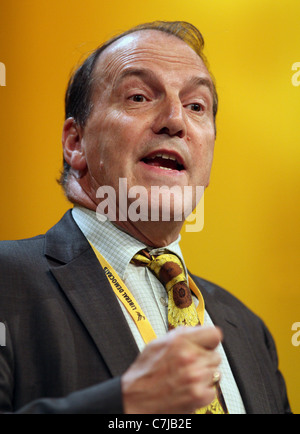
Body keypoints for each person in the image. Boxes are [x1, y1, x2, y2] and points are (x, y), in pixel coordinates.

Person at [0, 21, 291, 414]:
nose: (175, 120)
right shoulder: (8, 282)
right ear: (76, 142)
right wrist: (125, 404)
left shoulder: (249, 332)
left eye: (196, 106)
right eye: (138, 97)